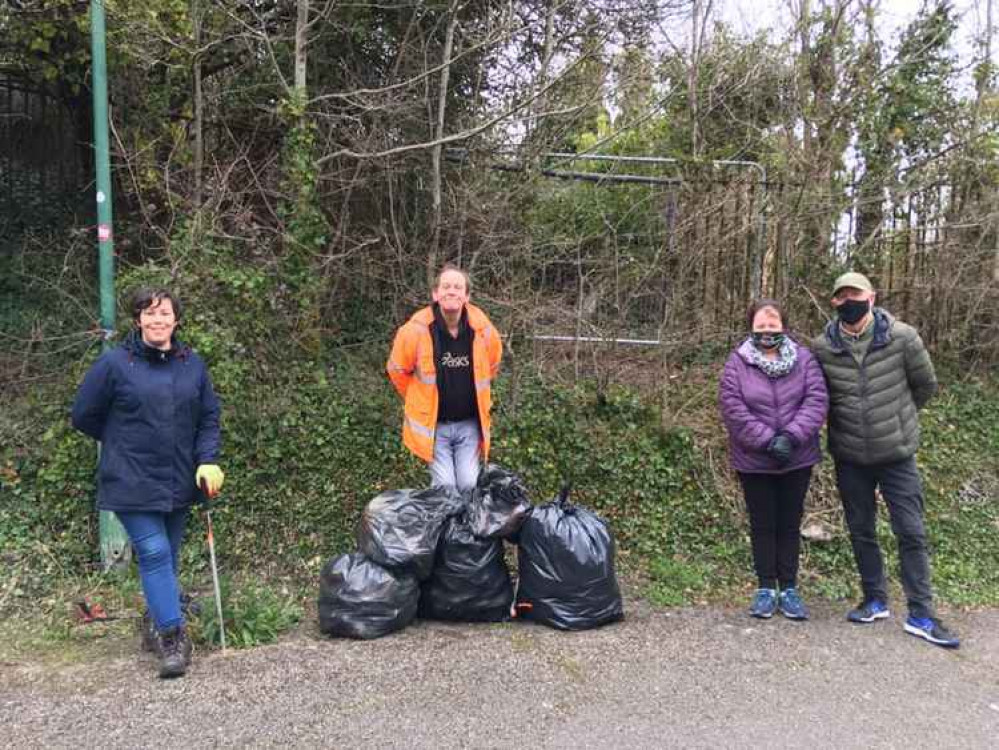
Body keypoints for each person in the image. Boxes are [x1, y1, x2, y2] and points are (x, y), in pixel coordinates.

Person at [72, 288, 224, 677]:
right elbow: (83, 415)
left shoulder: (193, 365)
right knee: (154, 553)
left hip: (178, 478)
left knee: (168, 557)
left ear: (176, 319)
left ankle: (154, 621)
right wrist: (122, 442)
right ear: (138, 320)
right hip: (130, 478)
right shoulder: (114, 365)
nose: (158, 321)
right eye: (149, 314)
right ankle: (172, 637)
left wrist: (207, 460)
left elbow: (208, 417)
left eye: (165, 313)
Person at [811, 272, 959, 648]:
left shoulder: (902, 338)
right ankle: (874, 599)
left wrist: (898, 419)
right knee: (862, 531)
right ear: (834, 303)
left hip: (896, 455)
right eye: (841, 296)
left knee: (911, 532)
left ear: (871, 297)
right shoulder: (822, 347)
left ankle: (921, 613)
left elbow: (926, 386)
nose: (849, 301)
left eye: (855, 294)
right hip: (850, 457)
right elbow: (817, 396)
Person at [720, 299, 829, 620]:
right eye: (761, 326)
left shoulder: (805, 359)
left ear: (784, 326)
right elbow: (732, 408)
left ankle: (790, 589)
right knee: (763, 524)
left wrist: (792, 436)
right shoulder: (737, 363)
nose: (768, 331)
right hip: (755, 460)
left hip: (797, 457)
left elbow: (816, 399)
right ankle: (766, 588)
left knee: (789, 524)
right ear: (751, 327)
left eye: (773, 325)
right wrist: (768, 440)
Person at [387, 265, 502, 493]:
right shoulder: (415, 331)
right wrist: (418, 399)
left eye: (458, 287)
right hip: (435, 426)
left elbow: (493, 364)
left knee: (470, 485)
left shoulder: (483, 330)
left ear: (466, 296)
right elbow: (397, 370)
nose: (452, 291)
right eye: (446, 286)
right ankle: (445, 528)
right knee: (445, 487)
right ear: (435, 294)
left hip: (469, 424)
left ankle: (467, 528)